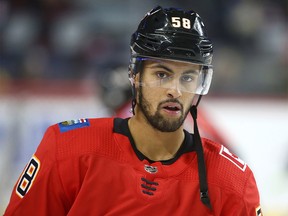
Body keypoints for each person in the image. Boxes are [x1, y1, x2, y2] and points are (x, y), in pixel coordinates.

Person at [4, 6, 263, 215]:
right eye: (162, 74)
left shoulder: (232, 182)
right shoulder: (66, 149)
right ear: (134, 75)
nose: (175, 90)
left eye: (187, 78)